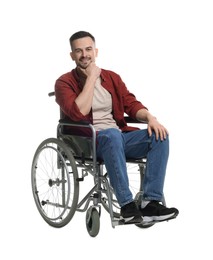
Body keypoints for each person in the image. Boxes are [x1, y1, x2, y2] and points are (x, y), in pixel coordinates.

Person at [55, 30, 179, 224]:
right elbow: (79, 112)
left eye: (88, 49)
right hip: (88, 141)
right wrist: (90, 78)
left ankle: (150, 202)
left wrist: (150, 118)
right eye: (78, 51)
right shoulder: (64, 82)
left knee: (159, 136)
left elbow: (131, 103)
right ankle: (127, 205)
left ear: (96, 51)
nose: (84, 54)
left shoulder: (112, 78)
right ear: (72, 55)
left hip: (118, 138)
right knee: (112, 134)